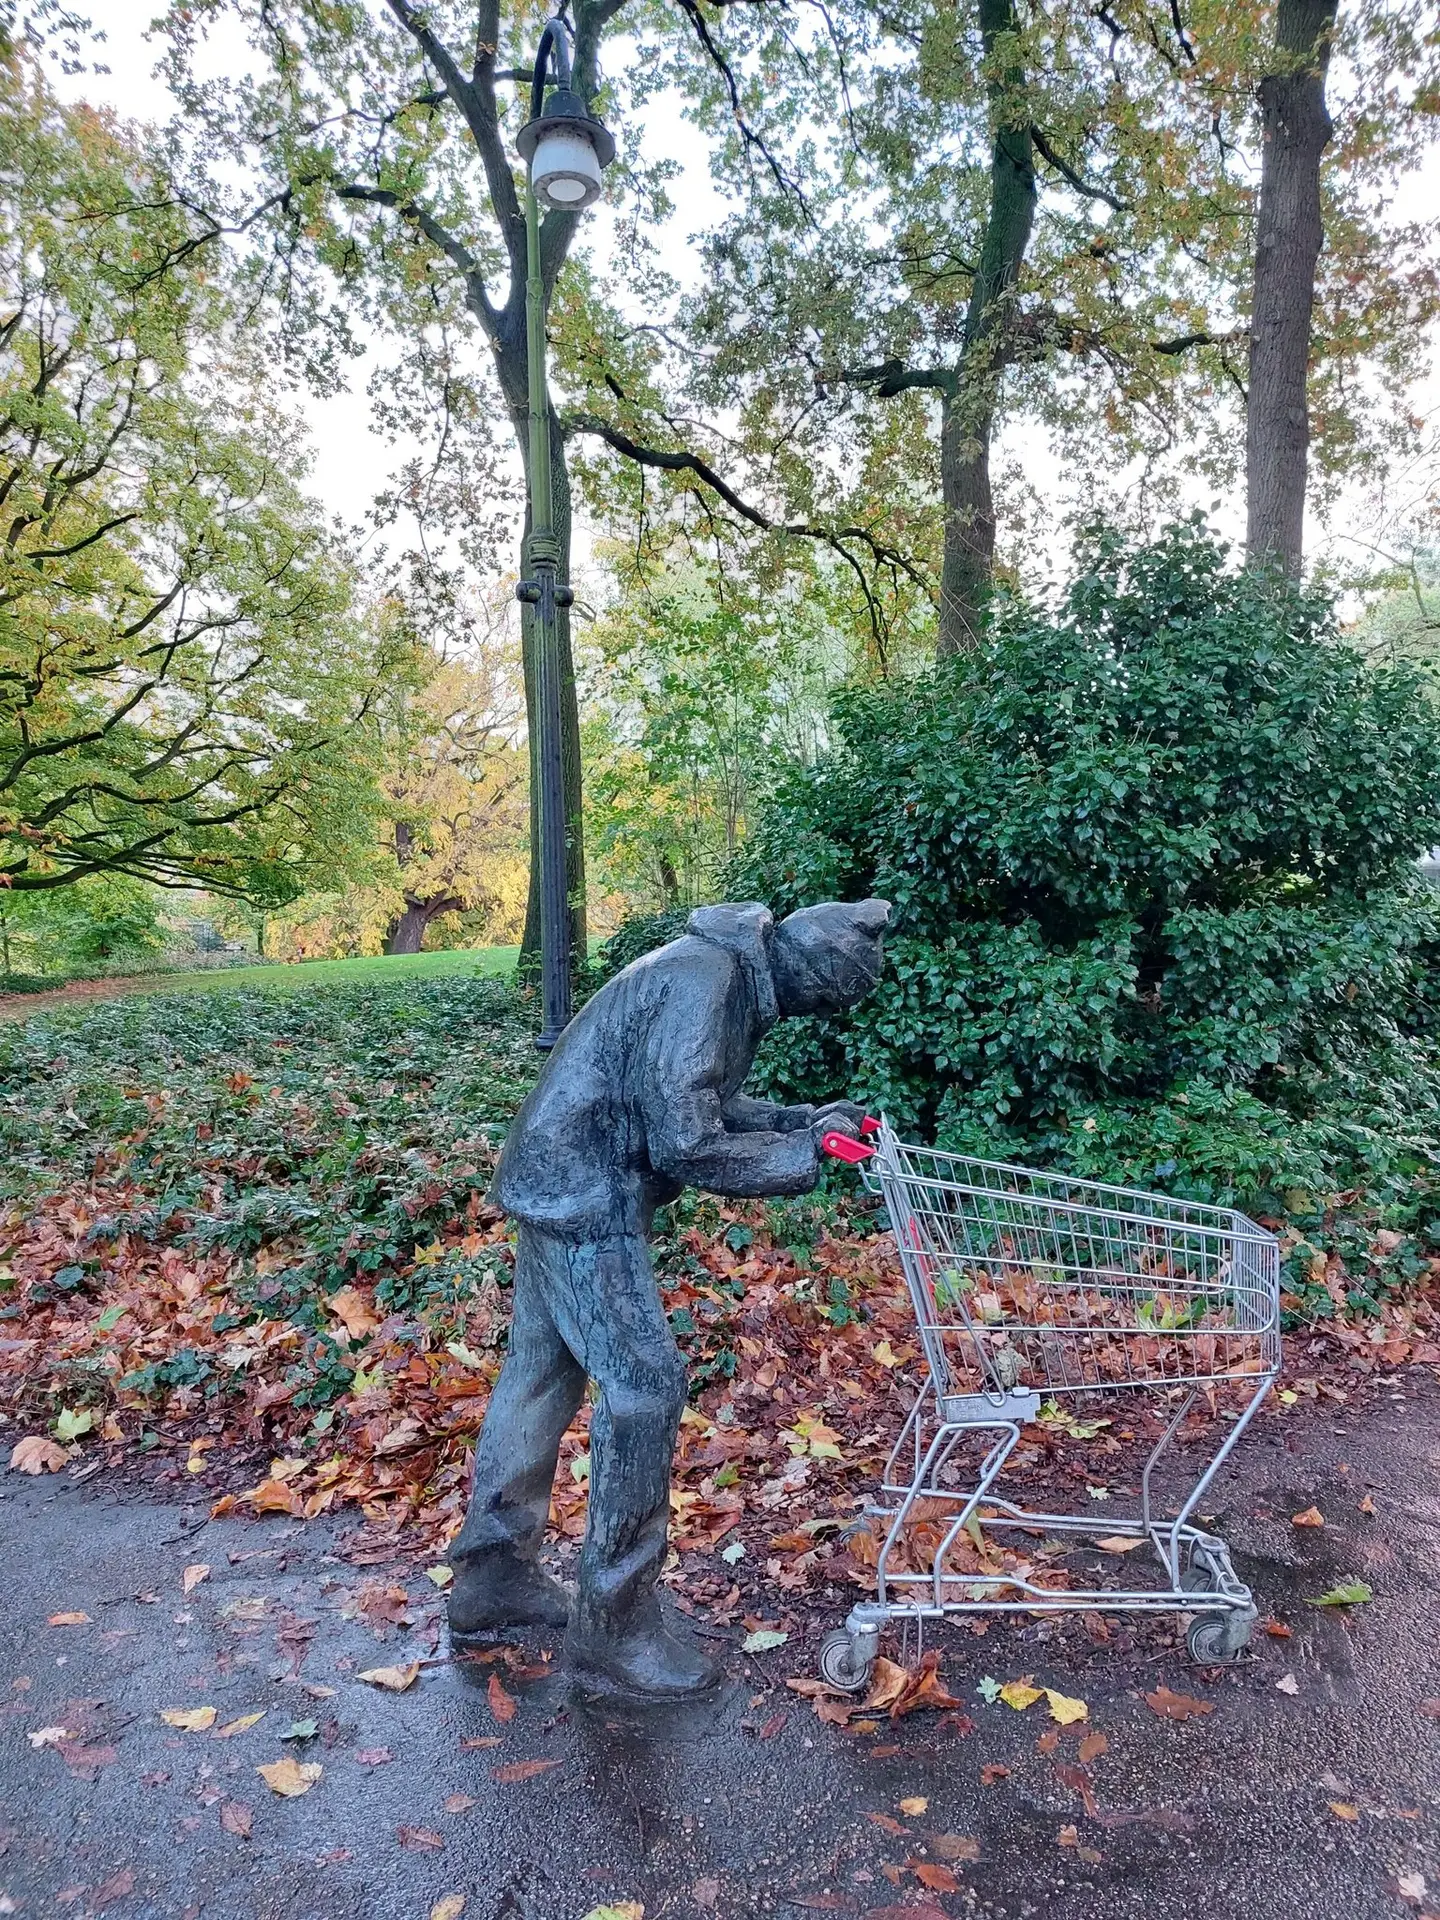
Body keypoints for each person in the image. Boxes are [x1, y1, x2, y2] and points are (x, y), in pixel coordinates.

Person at [447, 897, 891, 1698]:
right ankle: (614, 1626)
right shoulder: (707, 981)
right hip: (584, 1198)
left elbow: (690, 1100)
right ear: (809, 974)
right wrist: (799, 1157)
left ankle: (492, 1578)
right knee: (645, 1394)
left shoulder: (716, 969)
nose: (814, 1016)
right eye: (827, 1001)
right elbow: (686, 1142)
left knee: (539, 1379)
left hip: (558, 1180)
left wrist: (801, 1119)